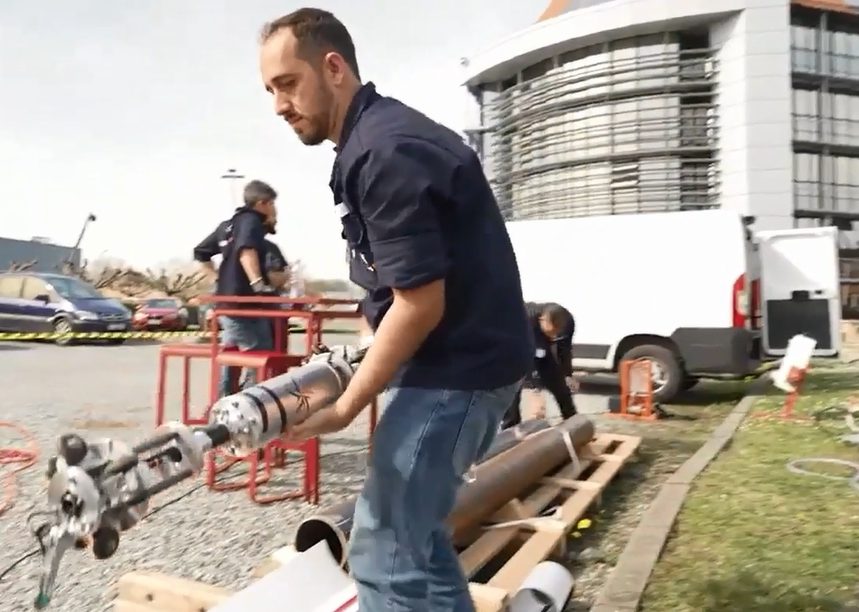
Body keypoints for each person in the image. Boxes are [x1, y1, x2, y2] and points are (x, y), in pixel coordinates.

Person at [258, 8, 533, 611]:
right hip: (461, 360)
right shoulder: (368, 142)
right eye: (270, 91)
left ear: (333, 67)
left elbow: (419, 303)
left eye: (287, 83)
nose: (278, 105)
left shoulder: (387, 151)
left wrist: (346, 405)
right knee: (419, 543)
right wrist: (352, 362)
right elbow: (389, 287)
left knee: (382, 551)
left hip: (460, 370)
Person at [192, 180, 279, 395]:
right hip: (243, 304)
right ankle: (252, 406)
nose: (274, 209)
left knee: (230, 358)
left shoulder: (228, 225)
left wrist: (218, 279)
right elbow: (246, 250)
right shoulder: (252, 221)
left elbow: (201, 252)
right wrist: (258, 284)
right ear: (263, 203)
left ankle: (223, 405)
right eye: (273, 204)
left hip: (227, 303)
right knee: (259, 357)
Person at [501, 302, 578, 429]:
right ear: (543, 320)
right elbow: (528, 361)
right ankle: (510, 428)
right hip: (513, 353)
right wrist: (534, 390)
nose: (554, 336)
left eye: (558, 333)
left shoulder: (568, 322)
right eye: (552, 331)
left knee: (560, 386)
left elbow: (565, 350)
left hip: (542, 351)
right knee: (512, 389)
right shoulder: (527, 320)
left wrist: (568, 374)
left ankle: (573, 423)